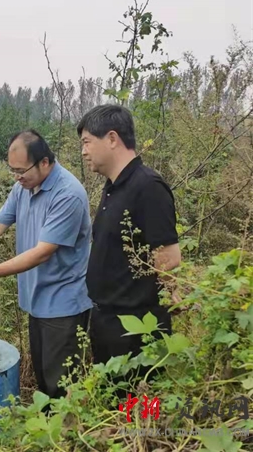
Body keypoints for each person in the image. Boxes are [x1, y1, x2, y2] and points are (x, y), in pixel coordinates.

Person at [0, 129, 93, 399]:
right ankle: (48, 421)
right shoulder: (23, 188)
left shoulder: (68, 194)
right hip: (37, 299)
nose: (16, 177)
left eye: (21, 171)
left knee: (61, 382)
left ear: (44, 162)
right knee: (43, 376)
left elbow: (42, 252)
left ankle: (66, 425)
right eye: (12, 170)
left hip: (63, 303)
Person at [78, 104, 181, 376]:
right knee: (112, 399)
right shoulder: (112, 187)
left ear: (112, 138)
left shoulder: (148, 186)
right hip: (107, 322)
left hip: (136, 330)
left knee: (141, 400)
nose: (83, 151)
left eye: (87, 142)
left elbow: (168, 257)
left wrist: (171, 293)